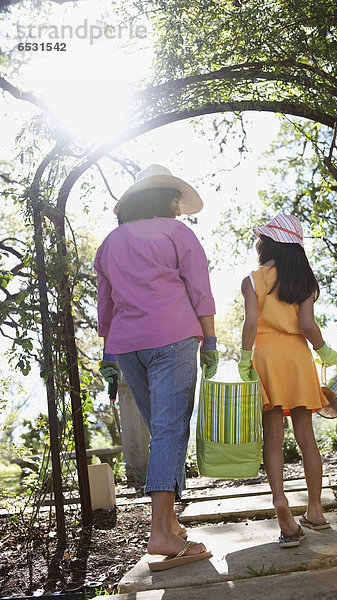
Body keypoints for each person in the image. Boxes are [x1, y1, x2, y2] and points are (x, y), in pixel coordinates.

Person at [94, 164, 218, 571]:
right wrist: (211, 339)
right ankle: (160, 534)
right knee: (169, 430)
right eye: (175, 201)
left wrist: (110, 356)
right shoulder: (178, 233)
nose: (179, 210)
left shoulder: (110, 242)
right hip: (173, 339)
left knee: (160, 431)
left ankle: (170, 522)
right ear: (163, 199)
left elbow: (105, 305)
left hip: (128, 348)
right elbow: (199, 288)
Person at [238, 214, 337, 547]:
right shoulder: (304, 280)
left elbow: (251, 323)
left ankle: (280, 500)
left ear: (267, 244)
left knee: (273, 438)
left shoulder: (252, 280)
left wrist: (243, 358)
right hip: (297, 358)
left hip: (266, 357)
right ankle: (315, 510)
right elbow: (308, 325)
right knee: (306, 435)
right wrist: (325, 352)